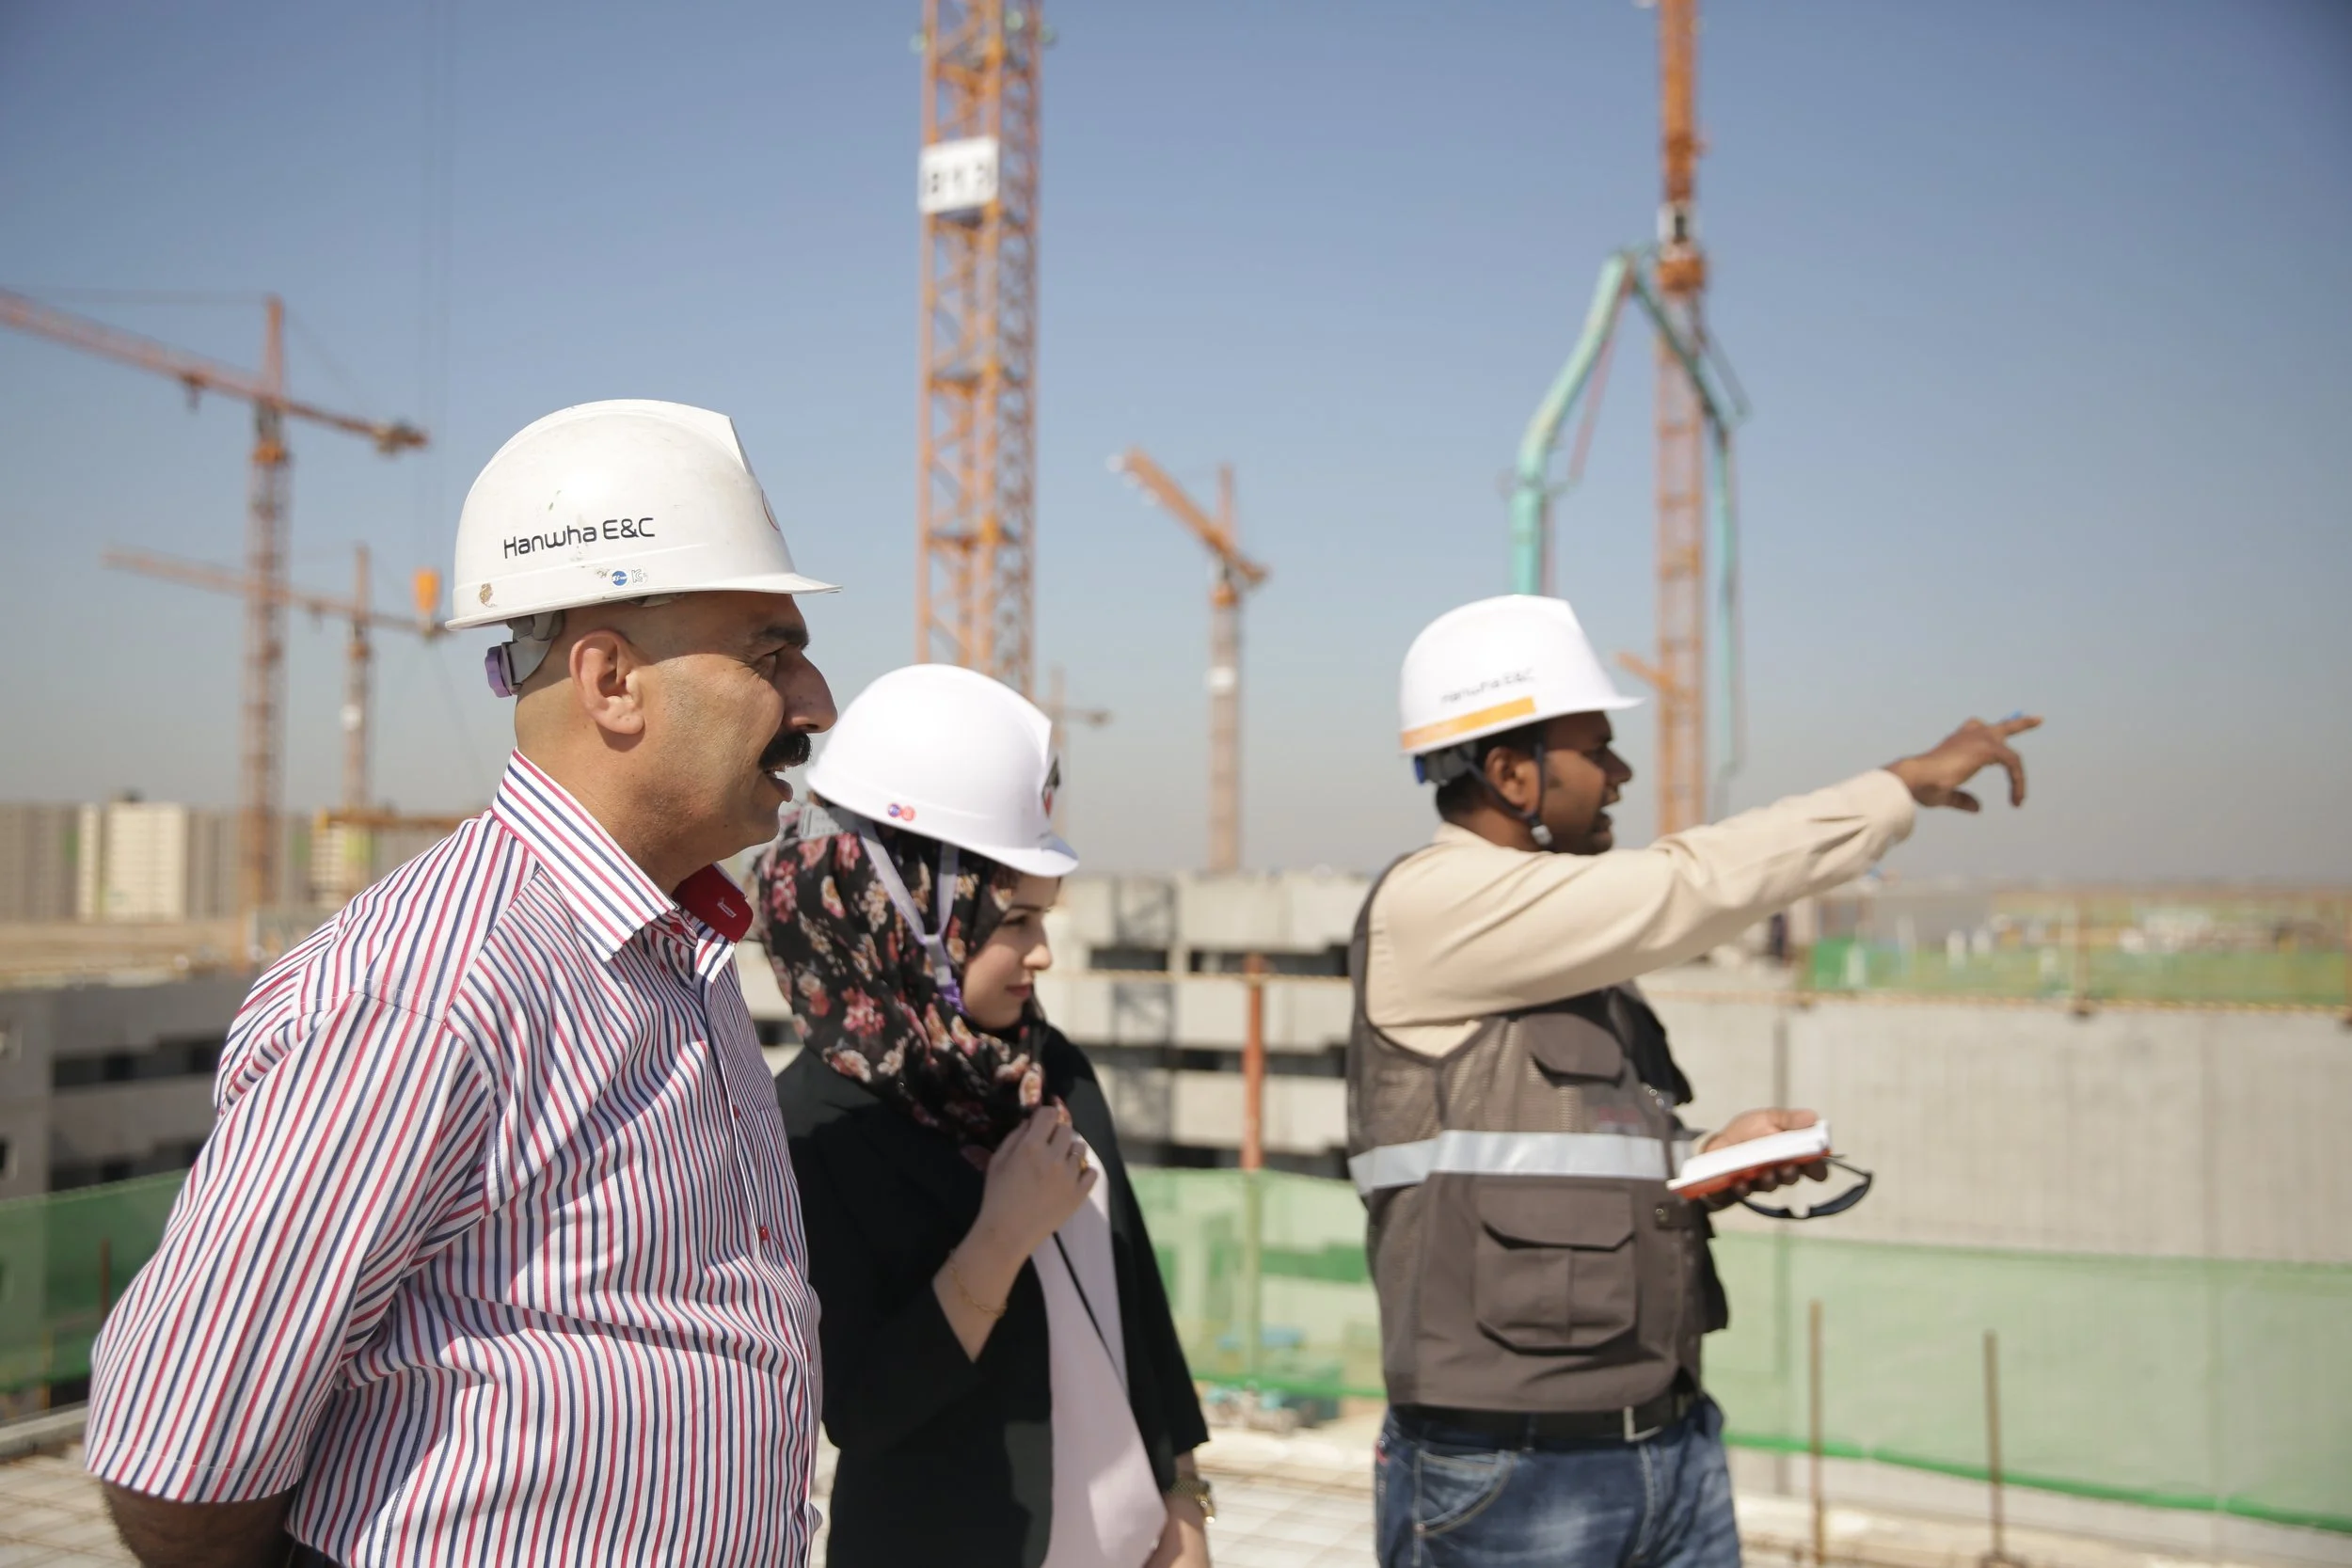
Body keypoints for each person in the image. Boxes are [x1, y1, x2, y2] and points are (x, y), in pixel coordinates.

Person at [85, 400, 841, 1568]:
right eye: (769, 655)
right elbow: (182, 1454)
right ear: (611, 680)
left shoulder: (672, 954)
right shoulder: (429, 992)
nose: (815, 703)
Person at [1351, 594, 2039, 1568]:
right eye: (1597, 749)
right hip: (1514, 1468)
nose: (1622, 774)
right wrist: (1895, 788)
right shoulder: (1435, 903)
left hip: (1667, 1442)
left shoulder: (1554, 938)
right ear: (1509, 772)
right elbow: (1686, 881)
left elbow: (1557, 1145)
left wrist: (1705, 1155)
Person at [757, 663, 1213, 1568]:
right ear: (909, 918)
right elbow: (861, 1409)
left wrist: (1184, 1498)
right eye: (1014, 922)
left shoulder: (1050, 1067)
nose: (1042, 953)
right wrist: (1000, 1238)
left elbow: (1138, 1309)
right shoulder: (814, 1124)